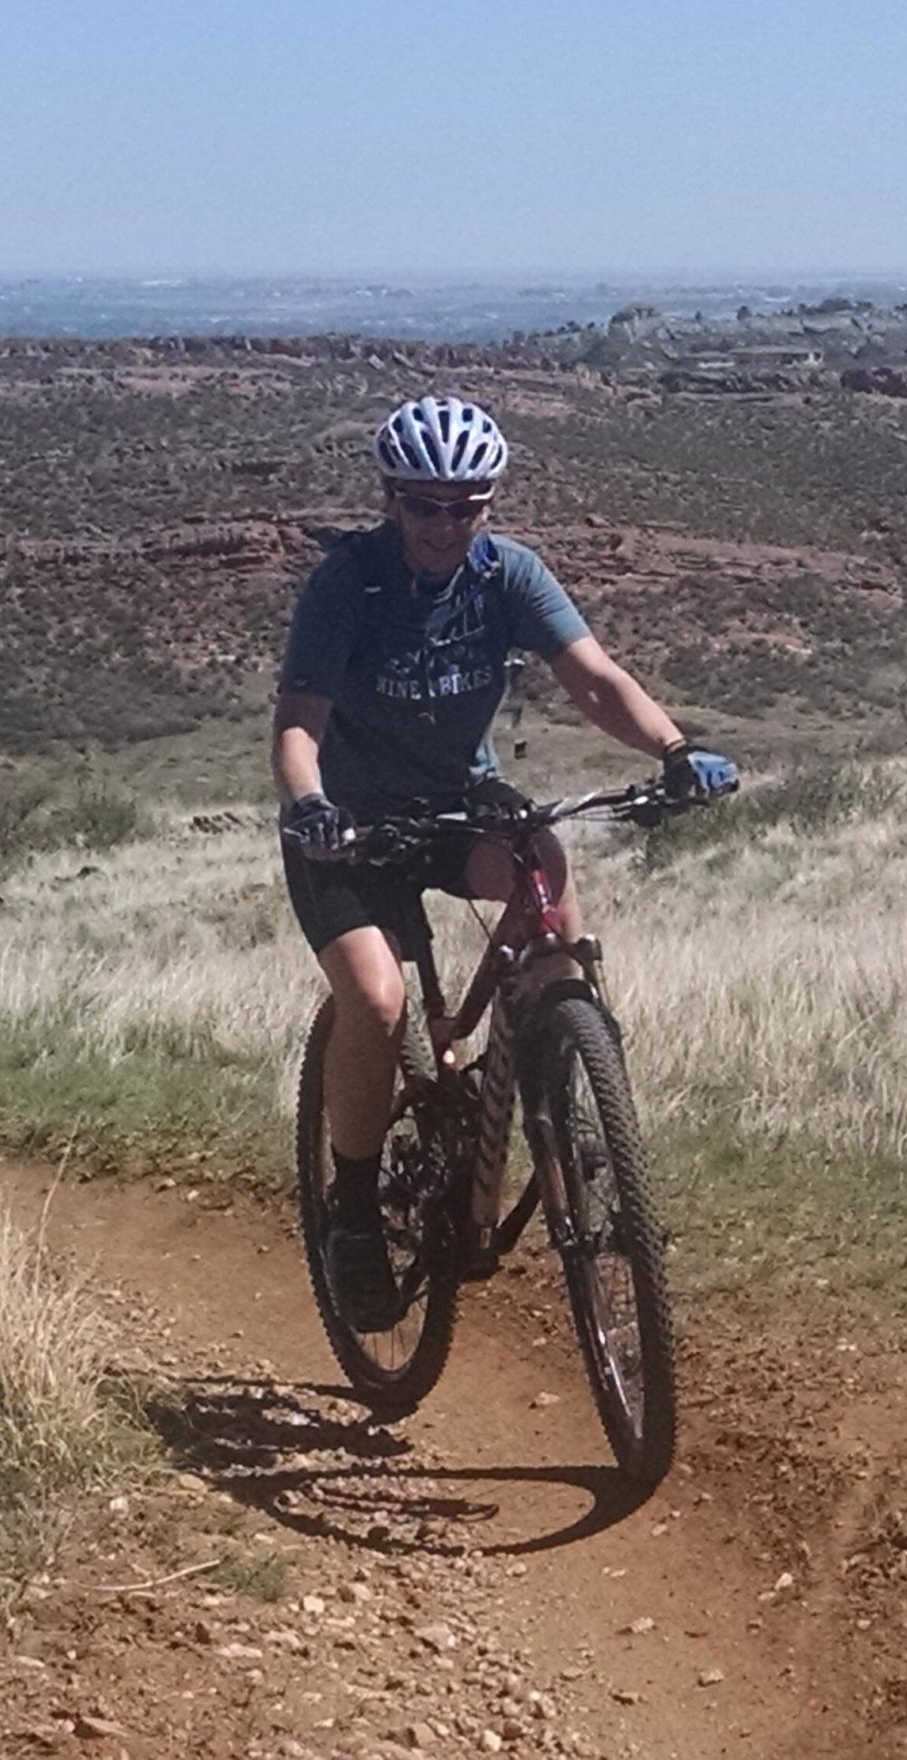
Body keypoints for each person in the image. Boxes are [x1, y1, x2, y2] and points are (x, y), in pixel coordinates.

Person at [272, 395, 737, 1331]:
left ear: (488, 506)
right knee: (375, 999)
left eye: (466, 505)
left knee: (547, 890)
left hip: (455, 799)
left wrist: (675, 751)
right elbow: (299, 722)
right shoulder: (348, 585)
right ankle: (355, 1211)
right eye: (423, 505)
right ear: (391, 500)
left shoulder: (507, 575)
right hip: (350, 823)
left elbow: (596, 679)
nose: (444, 525)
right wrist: (309, 804)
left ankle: (567, 1077)